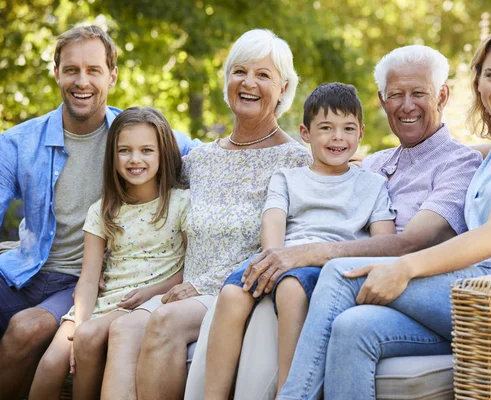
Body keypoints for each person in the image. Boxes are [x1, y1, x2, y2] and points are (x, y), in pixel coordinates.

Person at [276, 27, 491, 400]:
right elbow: (463, 154)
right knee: (353, 328)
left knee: (338, 272)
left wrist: (405, 267)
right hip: (473, 297)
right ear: (477, 83)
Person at [186, 44, 482, 400]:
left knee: (306, 289)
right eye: (395, 95)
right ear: (382, 100)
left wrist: (306, 254)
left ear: (443, 95)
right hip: (325, 271)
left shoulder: (458, 163)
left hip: (395, 280)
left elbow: (407, 243)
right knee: (238, 294)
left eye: (419, 93)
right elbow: (327, 179)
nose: (406, 105)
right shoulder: (374, 164)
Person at [95, 29, 311, 400]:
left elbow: (289, 246)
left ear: (284, 87)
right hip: (183, 289)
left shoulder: (297, 161)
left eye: (263, 75)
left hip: (239, 291)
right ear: (226, 79)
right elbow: (146, 191)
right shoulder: (199, 160)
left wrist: (203, 284)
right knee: (123, 329)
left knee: (163, 321)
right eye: (239, 71)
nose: (248, 83)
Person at [0, 25, 196, 399]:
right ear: (56, 73)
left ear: (112, 75)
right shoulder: (17, 143)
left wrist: (322, 157)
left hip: (80, 281)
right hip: (21, 270)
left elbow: (215, 154)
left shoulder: (134, 135)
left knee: (27, 329)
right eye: (72, 69)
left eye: (93, 70)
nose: (82, 81)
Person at [204, 82, 397, 399]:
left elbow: (384, 243)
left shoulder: (373, 184)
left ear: (361, 132)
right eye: (326, 128)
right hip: (282, 257)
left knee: (292, 289)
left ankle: (289, 392)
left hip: (325, 268)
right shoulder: (288, 177)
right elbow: (274, 219)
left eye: (348, 128)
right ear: (305, 133)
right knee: (230, 294)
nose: (338, 137)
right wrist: (272, 256)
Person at [28, 107, 189, 399]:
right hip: (104, 301)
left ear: (162, 152)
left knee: (87, 339)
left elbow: (191, 267)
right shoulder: (103, 210)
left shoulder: (181, 204)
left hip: (145, 302)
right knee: (52, 362)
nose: (135, 159)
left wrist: (154, 291)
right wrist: (79, 322)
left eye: (146, 150)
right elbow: (89, 280)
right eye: (124, 150)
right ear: (112, 156)